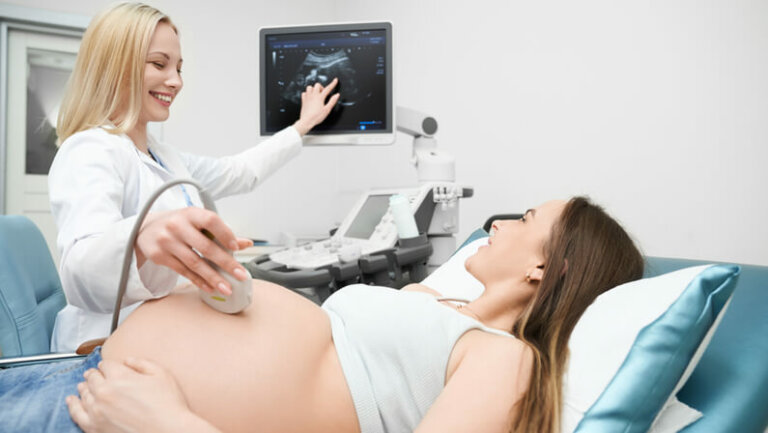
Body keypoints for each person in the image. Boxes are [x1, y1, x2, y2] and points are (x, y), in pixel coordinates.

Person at [0, 196, 644, 433]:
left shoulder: (509, 362)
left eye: (526, 220)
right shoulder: (439, 305)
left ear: (546, 270)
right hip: (74, 379)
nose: (500, 222)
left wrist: (170, 425)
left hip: (110, 416)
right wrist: (230, 290)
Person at [48, 3, 340, 352]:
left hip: (164, 333)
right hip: (104, 351)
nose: (176, 81)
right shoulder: (90, 149)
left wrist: (301, 126)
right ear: (116, 65)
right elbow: (79, 276)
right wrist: (139, 236)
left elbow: (240, 173)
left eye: (179, 68)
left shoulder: (163, 156)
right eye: (159, 64)